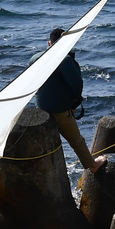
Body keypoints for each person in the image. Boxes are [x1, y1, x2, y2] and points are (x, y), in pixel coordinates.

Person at [37, 28, 106, 174]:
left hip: (41, 108)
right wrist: (75, 100)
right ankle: (92, 165)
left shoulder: (35, 58)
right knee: (77, 140)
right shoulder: (65, 59)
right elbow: (77, 84)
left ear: (49, 43)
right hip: (58, 110)